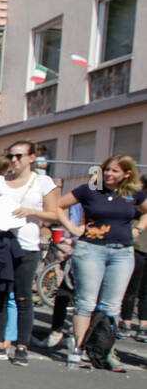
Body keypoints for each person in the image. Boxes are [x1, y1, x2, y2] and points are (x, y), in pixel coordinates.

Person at [58, 155, 147, 365]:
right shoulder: (90, 189)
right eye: (107, 169)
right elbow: (59, 205)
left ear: (126, 174)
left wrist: (138, 229)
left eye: (115, 171)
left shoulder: (133, 193)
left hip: (122, 252)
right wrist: (71, 228)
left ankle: (104, 350)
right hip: (91, 250)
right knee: (86, 302)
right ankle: (78, 349)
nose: (109, 174)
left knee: (112, 306)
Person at [0, 140, 59, 366]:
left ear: (32, 158)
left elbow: (54, 214)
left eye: (19, 156)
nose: (14, 160)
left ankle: (22, 346)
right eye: (11, 156)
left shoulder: (42, 182)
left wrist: (31, 211)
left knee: (23, 297)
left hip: (25, 245)